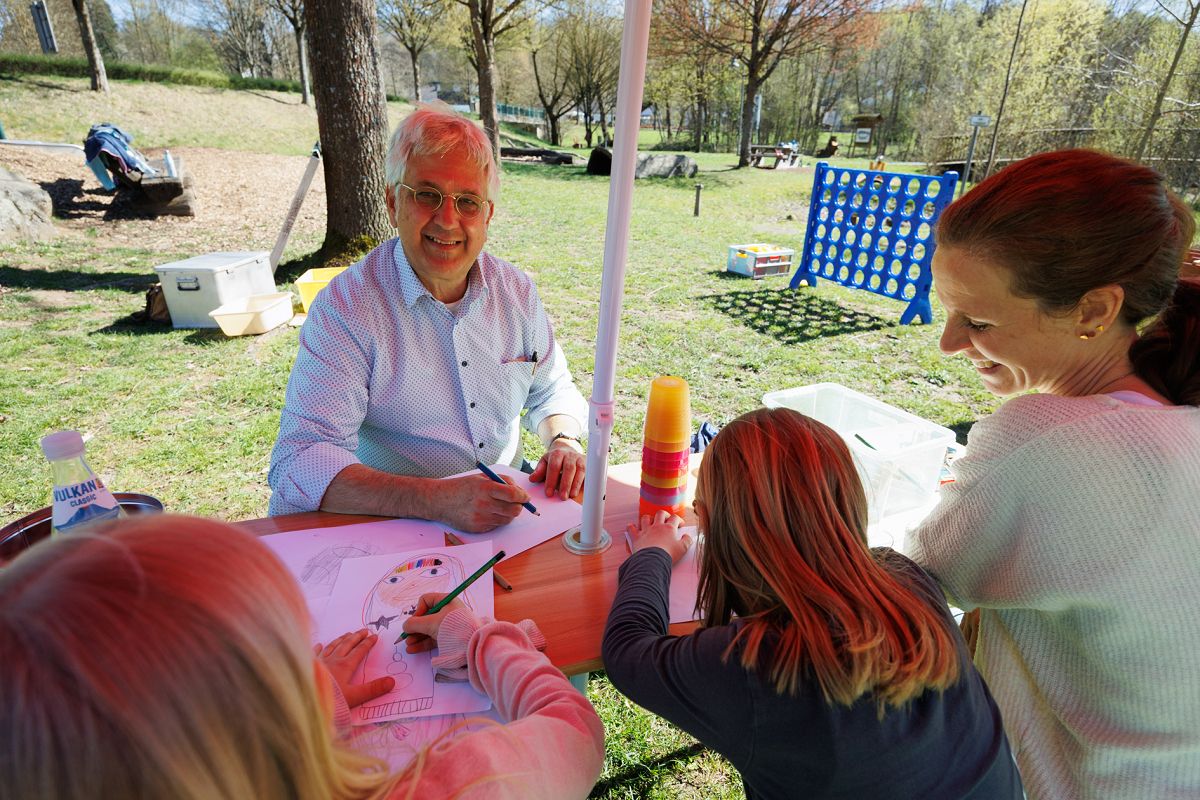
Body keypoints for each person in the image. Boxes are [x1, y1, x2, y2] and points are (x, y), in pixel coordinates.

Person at [905, 149, 1200, 799]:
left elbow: (911, 582)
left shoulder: (1044, 439)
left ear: (1094, 311)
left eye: (977, 321)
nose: (949, 343)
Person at [0, 515, 605, 799]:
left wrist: (319, 712)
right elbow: (573, 728)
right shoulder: (456, 787)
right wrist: (477, 640)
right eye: (296, 649)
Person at [602, 407, 1023, 799]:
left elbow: (626, 653)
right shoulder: (905, 579)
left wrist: (650, 555)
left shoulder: (757, 663)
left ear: (714, 522)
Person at [269, 104, 588, 531]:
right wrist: (436, 500)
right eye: (427, 194)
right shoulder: (347, 309)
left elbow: (550, 389)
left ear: (487, 215)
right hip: (395, 524)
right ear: (391, 201)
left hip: (511, 515)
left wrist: (563, 441)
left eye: (468, 201)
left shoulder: (516, 292)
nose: (447, 219)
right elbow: (301, 459)